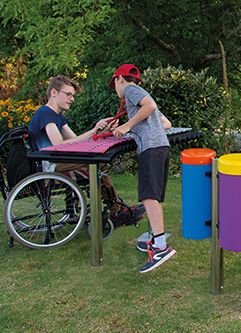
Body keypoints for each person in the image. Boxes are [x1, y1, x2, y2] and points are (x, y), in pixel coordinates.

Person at [28, 75, 145, 226]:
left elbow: (77, 141)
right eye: (68, 94)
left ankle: (113, 209)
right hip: (49, 166)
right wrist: (94, 129)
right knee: (96, 167)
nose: (72, 99)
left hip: (56, 162)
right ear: (54, 93)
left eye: (73, 95)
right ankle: (115, 211)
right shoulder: (45, 113)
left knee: (99, 167)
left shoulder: (57, 117)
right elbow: (59, 145)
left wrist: (101, 131)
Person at [110, 63, 175, 273]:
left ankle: (162, 248)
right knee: (152, 197)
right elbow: (166, 123)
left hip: (151, 148)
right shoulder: (140, 93)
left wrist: (128, 125)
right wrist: (133, 128)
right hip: (161, 146)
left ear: (120, 79)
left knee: (148, 196)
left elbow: (150, 108)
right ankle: (158, 241)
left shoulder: (130, 90)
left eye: (115, 84)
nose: (116, 90)